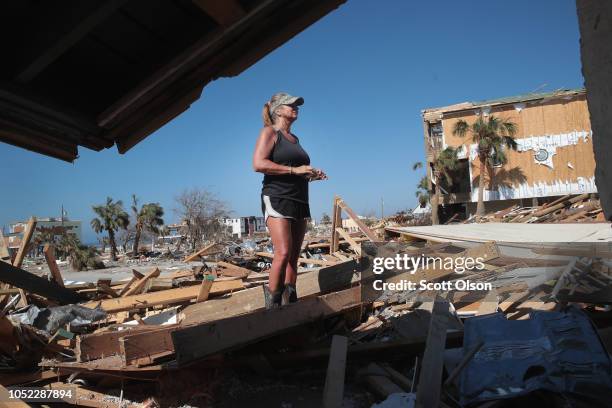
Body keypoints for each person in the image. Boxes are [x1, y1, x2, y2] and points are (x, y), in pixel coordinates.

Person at [252, 92, 327, 309]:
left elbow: (295, 171)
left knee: (294, 255)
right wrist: (296, 169)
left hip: (300, 199)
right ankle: (273, 305)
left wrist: (310, 174)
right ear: (277, 110)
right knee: (283, 252)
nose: (295, 107)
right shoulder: (270, 132)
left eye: (297, 105)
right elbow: (258, 164)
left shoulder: (295, 139)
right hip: (277, 197)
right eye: (290, 105)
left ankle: (290, 302)